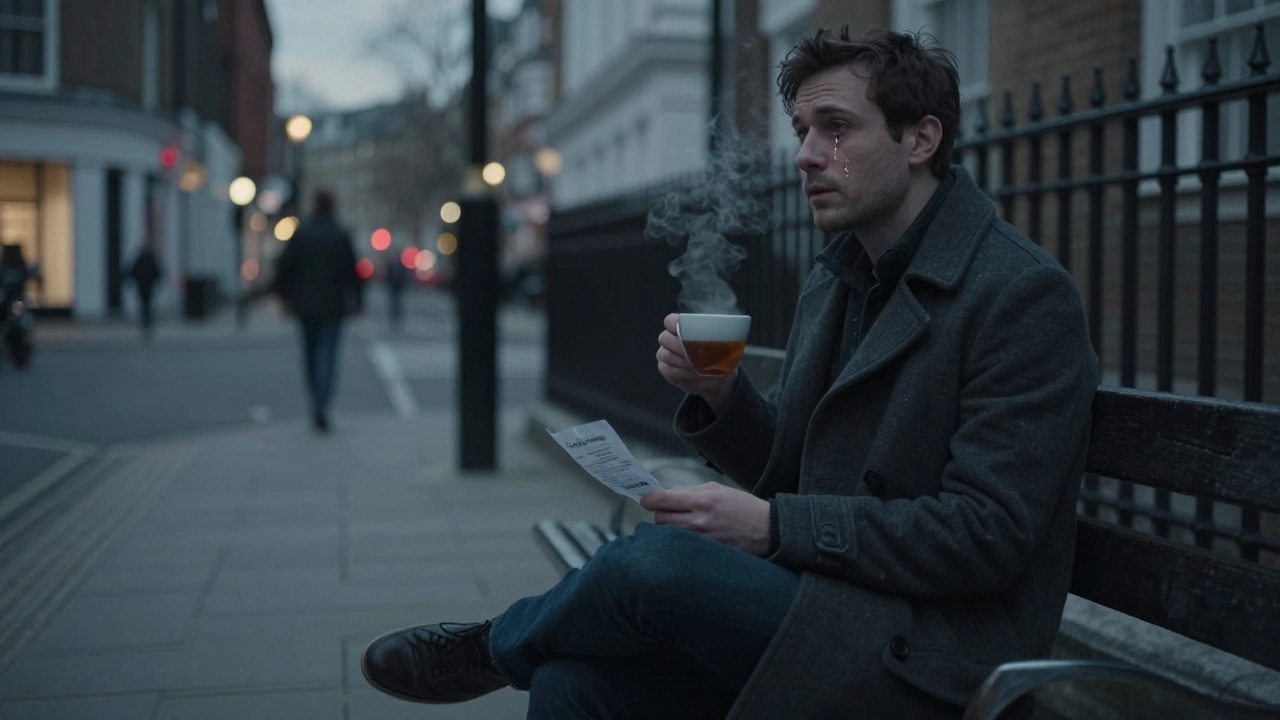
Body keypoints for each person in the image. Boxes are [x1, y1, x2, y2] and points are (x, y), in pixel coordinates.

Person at [359, 27, 1099, 719]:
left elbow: (985, 536)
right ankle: (515, 653)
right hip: (827, 603)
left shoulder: (1019, 294)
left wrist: (773, 528)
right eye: (804, 132)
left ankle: (489, 649)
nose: (808, 154)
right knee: (568, 686)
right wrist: (721, 398)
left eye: (836, 128)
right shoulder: (840, 276)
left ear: (920, 139)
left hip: (935, 658)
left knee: (652, 566)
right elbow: (793, 470)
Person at [269, 189, 363, 433]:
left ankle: (315, 400)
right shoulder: (340, 235)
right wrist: (357, 301)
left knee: (310, 355)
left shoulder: (302, 234)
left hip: (305, 306)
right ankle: (323, 400)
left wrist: (284, 297)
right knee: (329, 356)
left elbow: (284, 268)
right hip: (333, 306)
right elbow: (353, 273)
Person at [127, 243, 163, 340]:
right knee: (145, 305)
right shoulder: (144, 260)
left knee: (146, 305)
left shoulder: (146, 260)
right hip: (144, 286)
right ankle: (146, 321)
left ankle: (147, 321)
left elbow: (157, 272)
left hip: (146, 286)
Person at [384, 251, 409, 329]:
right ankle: (394, 312)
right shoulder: (394, 266)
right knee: (394, 300)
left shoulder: (399, 266)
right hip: (394, 285)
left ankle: (396, 312)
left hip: (398, 285)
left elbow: (404, 275)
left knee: (397, 300)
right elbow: (388, 275)